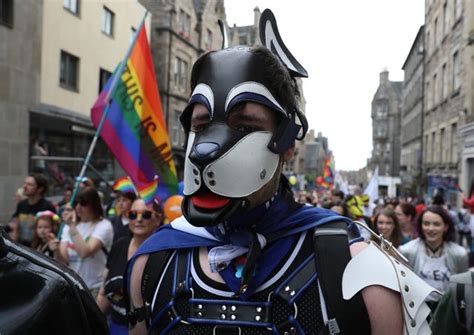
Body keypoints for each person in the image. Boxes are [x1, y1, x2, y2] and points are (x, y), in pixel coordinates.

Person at [126, 9, 436, 334]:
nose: (208, 147)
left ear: (287, 142)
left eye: (245, 126)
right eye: (201, 125)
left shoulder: (359, 271)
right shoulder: (153, 264)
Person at [0, 228, 108, 334]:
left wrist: (71, 228)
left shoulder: (58, 285)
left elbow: (82, 253)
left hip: (91, 285)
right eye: (40, 227)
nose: (42, 230)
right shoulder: (36, 245)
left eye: (45, 226)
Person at [96, 198, 163, 335]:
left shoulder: (163, 254)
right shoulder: (119, 245)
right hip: (115, 327)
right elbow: (104, 293)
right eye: (133, 214)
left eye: (146, 214)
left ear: (158, 219)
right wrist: (91, 319)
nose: (138, 219)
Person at [399, 205, 469, 306]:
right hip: (417, 309)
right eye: (426, 224)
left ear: (445, 227)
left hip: (447, 310)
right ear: (421, 225)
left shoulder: (459, 254)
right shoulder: (407, 251)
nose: (431, 229)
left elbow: (463, 289)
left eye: (436, 224)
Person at [55, 186, 114, 298]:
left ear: (94, 204)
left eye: (83, 203)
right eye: (76, 203)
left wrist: (72, 227)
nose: (78, 207)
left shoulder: (104, 225)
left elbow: (85, 252)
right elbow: (63, 260)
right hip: (74, 286)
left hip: (95, 287)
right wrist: (56, 249)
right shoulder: (68, 227)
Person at [8, 174, 56, 246]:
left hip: (38, 250)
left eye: (29, 184)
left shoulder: (47, 206)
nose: (24, 187)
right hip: (21, 246)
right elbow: (14, 221)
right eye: (25, 183)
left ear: (40, 189)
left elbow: (53, 229)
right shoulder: (21, 204)